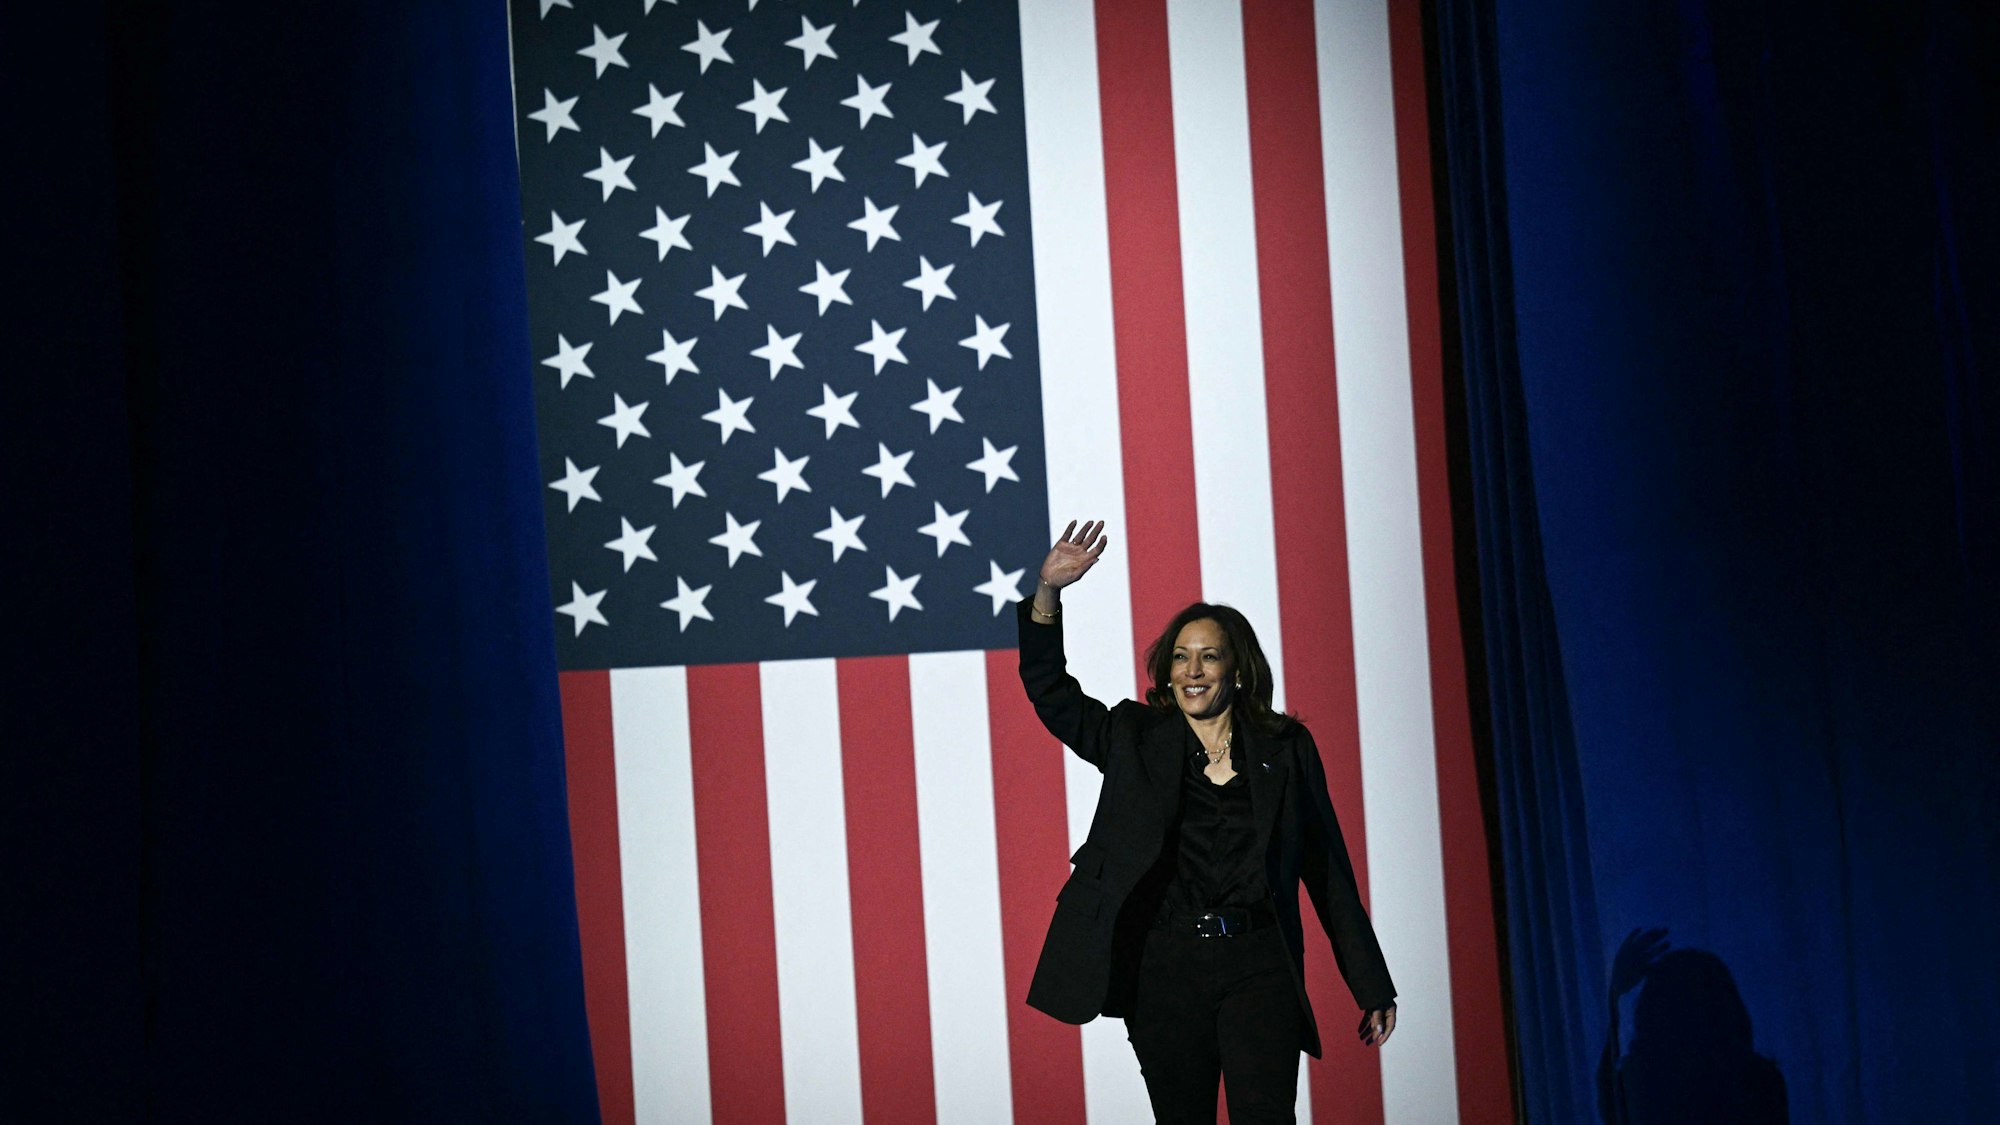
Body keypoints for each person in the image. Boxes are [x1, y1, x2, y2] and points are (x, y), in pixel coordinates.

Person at [1018, 519, 1397, 1124]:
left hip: (1260, 967)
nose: (1193, 671)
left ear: (1236, 670)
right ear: (1166, 671)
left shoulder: (1287, 748)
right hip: (1164, 970)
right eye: (1181, 658)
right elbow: (1049, 690)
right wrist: (1047, 594)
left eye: (1209, 657)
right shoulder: (1133, 737)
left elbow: (1326, 872)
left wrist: (1371, 983)